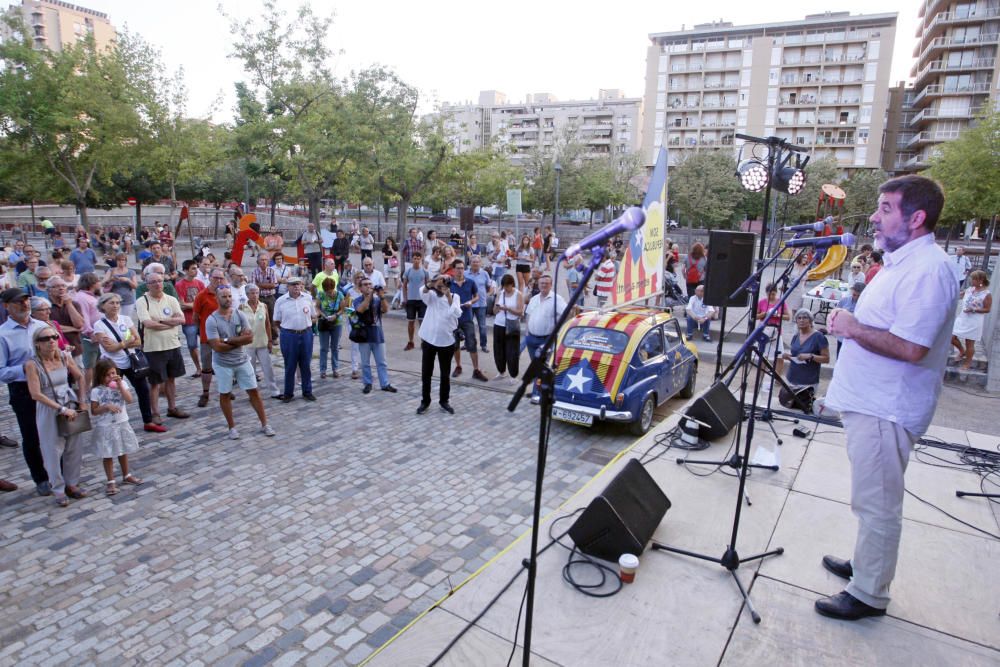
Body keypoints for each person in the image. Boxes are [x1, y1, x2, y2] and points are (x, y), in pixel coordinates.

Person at [821, 175, 957, 621]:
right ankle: (865, 565)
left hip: (887, 407)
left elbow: (912, 347)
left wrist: (852, 328)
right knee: (869, 498)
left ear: (916, 218)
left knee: (878, 503)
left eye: (885, 209)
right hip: (872, 402)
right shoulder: (902, 262)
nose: (875, 218)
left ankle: (868, 594)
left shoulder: (929, 270)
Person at [25, 326, 87, 507]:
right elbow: (35, 394)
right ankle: (58, 488)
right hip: (49, 407)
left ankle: (72, 483)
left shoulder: (64, 356)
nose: (51, 341)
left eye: (54, 337)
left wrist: (82, 401)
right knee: (52, 449)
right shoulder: (32, 364)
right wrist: (60, 409)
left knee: (74, 446)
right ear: (37, 343)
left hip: (69, 402)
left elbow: (80, 377)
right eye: (46, 339)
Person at [205, 286, 275, 439]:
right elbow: (216, 346)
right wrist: (238, 341)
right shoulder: (212, 320)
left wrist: (227, 340)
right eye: (224, 296)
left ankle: (265, 424)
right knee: (225, 394)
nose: (228, 299)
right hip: (222, 363)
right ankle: (232, 427)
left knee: (254, 391)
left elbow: (249, 338)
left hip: (242, 360)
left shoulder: (240, 315)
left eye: (230, 296)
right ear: (217, 299)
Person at [92, 292, 166, 433]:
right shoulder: (99, 325)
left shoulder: (125, 319)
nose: (115, 306)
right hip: (112, 364)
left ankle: (148, 421)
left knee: (143, 390)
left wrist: (120, 344)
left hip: (130, 361)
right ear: (103, 306)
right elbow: (109, 348)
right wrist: (127, 342)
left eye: (117, 303)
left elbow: (138, 341)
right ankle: (113, 422)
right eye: (111, 303)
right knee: (112, 392)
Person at [0, 287, 50, 494]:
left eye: (26, 300)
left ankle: (60, 472)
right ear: (6, 306)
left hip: (48, 385)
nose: (24, 304)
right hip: (23, 389)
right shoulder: (3, 334)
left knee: (55, 433)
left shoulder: (41, 325)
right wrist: (25, 367)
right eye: (18, 302)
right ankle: (41, 478)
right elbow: (2, 372)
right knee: (32, 436)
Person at [135, 272, 189, 424]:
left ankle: (172, 408)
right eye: (153, 282)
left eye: (160, 281)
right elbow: (147, 323)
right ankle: (155, 412)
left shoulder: (171, 299)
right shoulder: (142, 301)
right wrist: (170, 322)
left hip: (173, 344)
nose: (158, 284)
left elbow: (182, 319)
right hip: (154, 347)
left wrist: (159, 320)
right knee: (155, 382)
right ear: (147, 285)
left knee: (171, 379)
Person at [89, 359, 143, 496]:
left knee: (123, 450)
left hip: (121, 422)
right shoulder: (96, 391)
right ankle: (110, 481)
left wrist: (120, 386)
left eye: (113, 373)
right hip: (106, 427)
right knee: (108, 454)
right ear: (100, 376)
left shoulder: (122, 384)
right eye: (107, 375)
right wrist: (106, 407)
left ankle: (127, 475)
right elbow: (94, 411)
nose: (111, 377)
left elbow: (129, 400)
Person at [417, 274, 462, 414]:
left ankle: (444, 401)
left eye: (444, 284)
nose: (441, 286)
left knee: (445, 374)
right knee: (426, 373)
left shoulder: (455, 297)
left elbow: (457, 313)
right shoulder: (431, 295)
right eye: (439, 284)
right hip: (429, 339)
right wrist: (432, 284)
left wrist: (447, 295)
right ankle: (425, 401)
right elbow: (421, 292)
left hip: (447, 341)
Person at [273, 276, 317, 401]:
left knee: (306, 364)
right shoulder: (281, 301)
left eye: (298, 284)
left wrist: (307, 324)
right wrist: (287, 330)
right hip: (289, 335)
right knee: (290, 364)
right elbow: (276, 320)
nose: (296, 286)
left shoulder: (307, 298)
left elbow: (314, 316)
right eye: (293, 284)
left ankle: (307, 391)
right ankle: (288, 393)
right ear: (288, 287)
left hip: (306, 334)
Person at [353, 278, 396, 394]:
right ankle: (367, 383)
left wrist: (381, 297)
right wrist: (370, 295)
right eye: (365, 285)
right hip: (364, 335)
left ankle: (385, 383)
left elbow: (386, 310)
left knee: (382, 362)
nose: (368, 286)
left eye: (369, 284)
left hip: (377, 335)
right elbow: (361, 309)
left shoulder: (377, 300)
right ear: (360, 288)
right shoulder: (357, 300)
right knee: (365, 362)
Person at [193, 268, 228, 407]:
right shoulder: (202, 295)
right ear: (210, 277)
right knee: (207, 366)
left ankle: (225, 390)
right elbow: (196, 317)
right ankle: (205, 392)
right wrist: (203, 329)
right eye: (215, 278)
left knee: (224, 365)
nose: (218, 280)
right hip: (207, 338)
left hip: (224, 336)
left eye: (221, 278)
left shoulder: (225, 294)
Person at [449, 259, 487, 382]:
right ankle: (458, 366)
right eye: (458, 268)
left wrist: (471, 302)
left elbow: (477, 296)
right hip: (454, 319)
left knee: (472, 344)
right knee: (455, 345)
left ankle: (476, 370)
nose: (460, 270)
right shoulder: (449, 284)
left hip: (467, 318)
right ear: (453, 270)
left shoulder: (470, 282)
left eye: (462, 268)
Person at [781, 308, 829, 403]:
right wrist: (789, 357)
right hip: (791, 379)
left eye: (805, 317)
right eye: (799, 318)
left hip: (807, 382)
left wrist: (811, 356)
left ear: (811, 320)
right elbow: (797, 356)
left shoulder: (819, 337)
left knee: (801, 407)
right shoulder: (796, 336)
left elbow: (826, 359)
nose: (801, 320)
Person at [240, 284, 280, 397]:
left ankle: (274, 390)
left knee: (268, 368)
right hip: (248, 344)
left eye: (257, 292)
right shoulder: (242, 307)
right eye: (252, 293)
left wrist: (270, 340)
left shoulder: (263, 306)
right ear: (247, 294)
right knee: (250, 370)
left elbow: (267, 324)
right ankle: (253, 393)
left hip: (262, 341)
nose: (255, 295)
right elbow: (238, 326)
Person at [950, 269, 991, 370]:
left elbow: (987, 309)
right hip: (962, 318)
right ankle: (962, 351)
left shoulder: (986, 294)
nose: (971, 281)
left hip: (974, 321)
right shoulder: (970, 289)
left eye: (973, 279)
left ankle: (967, 363)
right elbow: (960, 295)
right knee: (951, 337)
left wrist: (974, 310)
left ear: (980, 280)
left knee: (970, 343)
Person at [524, 274, 568, 361]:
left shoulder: (557, 299)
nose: (544, 285)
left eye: (546, 283)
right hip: (531, 338)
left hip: (547, 340)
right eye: (542, 283)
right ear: (538, 284)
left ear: (551, 285)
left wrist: (558, 330)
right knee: (534, 365)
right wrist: (526, 332)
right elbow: (528, 315)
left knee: (545, 366)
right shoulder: (534, 299)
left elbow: (566, 315)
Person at [175, 259, 205, 378]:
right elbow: (182, 304)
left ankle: (208, 366)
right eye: (193, 268)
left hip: (201, 319)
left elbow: (204, 302)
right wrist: (196, 304)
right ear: (186, 270)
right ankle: (198, 368)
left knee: (207, 343)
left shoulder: (200, 283)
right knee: (192, 346)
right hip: (188, 320)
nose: (195, 271)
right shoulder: (180, 285)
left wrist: (191, 305)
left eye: (196, 268)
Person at [492, 274, 524, 382]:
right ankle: (501, 371)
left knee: (512, 351)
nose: (506, 288)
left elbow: (520, 312)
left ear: (512, 284)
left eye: (507, 286)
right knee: (498, 350)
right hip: (499, 324)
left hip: (512, 326)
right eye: (504, 286)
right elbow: (494, 311)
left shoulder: (518, 294)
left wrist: (508, 309)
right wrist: (497, 308)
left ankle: (513, 375)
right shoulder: (500, 293)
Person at [756, 282, 790, 375]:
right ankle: (761, 376)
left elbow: (788, 317)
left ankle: (778, 378)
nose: (771, 296)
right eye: (769, 294)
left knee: (780, 356)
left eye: (773, 294)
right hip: (765, 330)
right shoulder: (762, 302)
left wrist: (778, 315)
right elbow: (755, 316)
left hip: (776, 330)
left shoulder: (780, 302)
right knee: (763, 355)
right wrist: (764, 314)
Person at [315, 278, 345, 379]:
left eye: (330, 291)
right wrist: (323, 315)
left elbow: (342, 309)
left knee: (335, 347)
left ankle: (335, 369)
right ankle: (323, 370)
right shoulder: (321, 294)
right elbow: (317, 307)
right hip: (324, 323)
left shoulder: (339, 295)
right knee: (324, 348)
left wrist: (336, 315)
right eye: (327, 291)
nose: (329, 293)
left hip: (336, 323)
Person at [466, 255, 492, 354]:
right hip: (469, 304)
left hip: (481, 304)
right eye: (473, 262)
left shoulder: (485, 273)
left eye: (477, 262)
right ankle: (467, 343)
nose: (475, 263)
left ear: (480, 263)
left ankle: (483, 345)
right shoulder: (465, 273)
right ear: (470, 263)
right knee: (468, 325)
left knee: (482, 326)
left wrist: (486, 295)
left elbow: (489, 287)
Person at [402, 252, 428, 351]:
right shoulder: (408, 271)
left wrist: (427, 299)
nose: (416, 260)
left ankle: (423, 342)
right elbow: (404, 286)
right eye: (415, 258)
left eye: (418, 258)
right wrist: (405, 298)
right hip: (411, 300)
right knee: (411, 322)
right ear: (412, 259)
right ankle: (411, 341)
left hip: (422, 301)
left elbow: (428, 286)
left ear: (421, 259)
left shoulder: (425, 272)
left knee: (422, 322)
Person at [102, 253, 138, 320]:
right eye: (119, 260)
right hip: (114, 300)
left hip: (128, 300)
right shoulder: (111, 270)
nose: (121, 262)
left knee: (126, 320)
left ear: (125, 261)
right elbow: (103, 284)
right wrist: (111, 279)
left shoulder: (131, 272)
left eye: (123, 260)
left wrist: (128, 280)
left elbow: (135, 286)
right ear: (116, 261)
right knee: (114, 319)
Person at [834, 282, 865, 356]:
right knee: (839, 356)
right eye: (854, 295)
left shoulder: (866, 304)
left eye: (859, 296)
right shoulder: (844, 300)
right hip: (842, 336)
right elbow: (835, 314)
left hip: (856, 338)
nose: (856, 297)